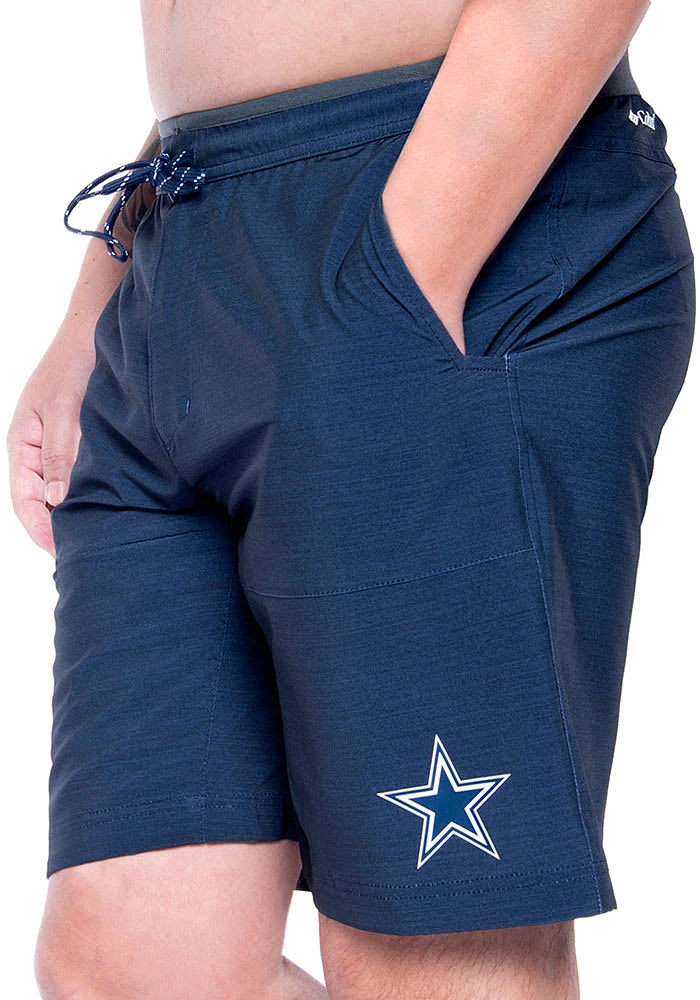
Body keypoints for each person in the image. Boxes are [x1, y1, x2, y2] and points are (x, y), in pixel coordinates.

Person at [7, 1, 695, 997]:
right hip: (185, 227)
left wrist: (410, 263)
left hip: (449, 204)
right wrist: (97, 302)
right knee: (128, 961)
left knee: (430, 953)